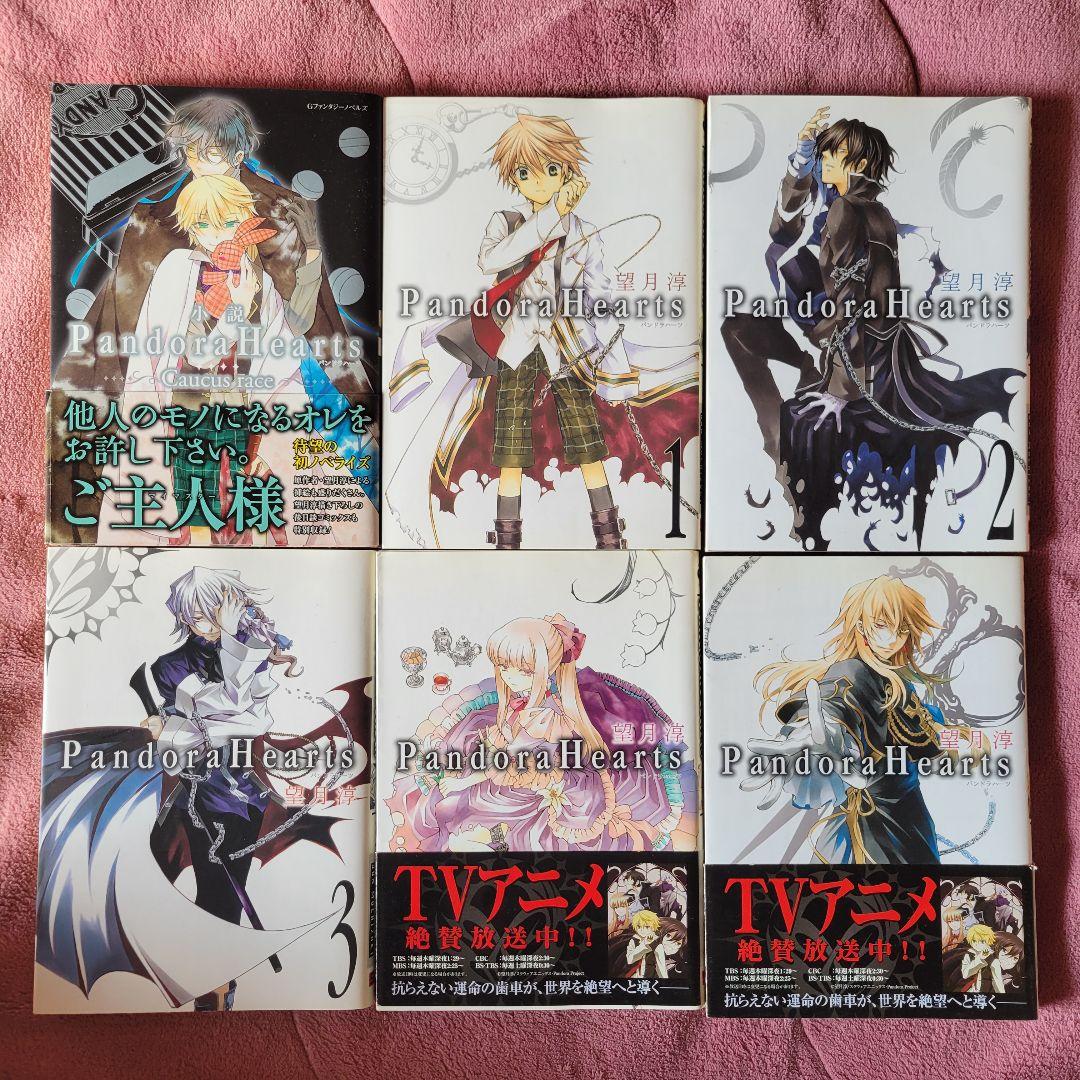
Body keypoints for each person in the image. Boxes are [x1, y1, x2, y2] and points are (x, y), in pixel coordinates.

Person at [722, 108, 1022, 549]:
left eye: (831, 154)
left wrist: (840, 387)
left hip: (846, 339)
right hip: (841, 331)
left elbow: (855, 304)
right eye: (822, 153)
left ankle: (794, 457)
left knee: (753, 346)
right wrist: (800, 161)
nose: (824, 161)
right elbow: (782, 230)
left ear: (859, 164)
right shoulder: (863, 205)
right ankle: (804, 386)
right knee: (740, 328)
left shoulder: (846, 208)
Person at [385, 613, 697, 852]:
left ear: (546, 670)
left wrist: (466, 780)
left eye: (522, 670)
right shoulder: (524, 704)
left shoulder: (546, 717)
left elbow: (512, 765)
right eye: (503, 666)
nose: (509, 677)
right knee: (456, 793)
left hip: (558, 785)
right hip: (523, 770)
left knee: (462, 806)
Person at [745, 575, 946, 863]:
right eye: (882, 625)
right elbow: (834, 698)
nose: (893, 638)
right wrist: (821, 733)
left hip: (910, 821)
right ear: (861, 626)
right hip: (868, 826)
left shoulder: (897, 683)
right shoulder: (853, 671)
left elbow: (918, 733)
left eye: (902, 628)